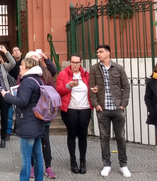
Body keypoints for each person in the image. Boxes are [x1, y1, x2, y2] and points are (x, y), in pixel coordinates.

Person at [89, 44, 131, 178]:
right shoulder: (94, 69)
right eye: (97, 52)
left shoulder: (118, 68)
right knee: (104, 138)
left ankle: (123, 165)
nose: (98, 54)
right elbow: (91, 88)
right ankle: (106, 164)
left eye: (101, 52)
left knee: (120, 137)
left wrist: (123, 104)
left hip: (117, 108)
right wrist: (96, 104)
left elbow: (126, 86)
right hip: (103, 109)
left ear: (108, 53)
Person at [1, 57, 45, 181]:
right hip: (37, 121)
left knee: (26, 158)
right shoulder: (38, 80)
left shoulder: (27, 82)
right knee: (37, 157)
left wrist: (7, 96)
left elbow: (22, 101)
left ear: (28, 67)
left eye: (22, 65)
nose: (19, 67)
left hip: (28, 123)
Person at [56, 54, 95, 175]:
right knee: (72, 133)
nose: (75, 65)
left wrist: (94, 90)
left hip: (85, 108)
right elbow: (59, 91)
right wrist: (68, 86)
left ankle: (82, 161)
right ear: (70, 63)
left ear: (81, 63)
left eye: (77, 62)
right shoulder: (63, 74)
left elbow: (92, 88)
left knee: (83, 134)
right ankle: (73, 160)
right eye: (73, 62)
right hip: (70, 108)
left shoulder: (86, 75)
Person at [25, 50, 57, 179]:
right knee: (31, 140)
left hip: (43, 112)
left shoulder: (45, 73)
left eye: (37, 58)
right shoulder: (24, 75)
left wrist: (46, 58)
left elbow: (53, 72)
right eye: (32, 58)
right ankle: (33, 166)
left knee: (45, 140)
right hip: (31, 113)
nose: (35, 60)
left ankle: (48, 167)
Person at [6, 46, 23, 140]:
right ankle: (8, 132)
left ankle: (18, 129)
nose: (16, 52)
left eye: (18, 50)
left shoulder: (25, 62)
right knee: (10, 111)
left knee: (21, 111)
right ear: (12, 54)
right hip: (13, 89)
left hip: (24, 88)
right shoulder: (11, 64)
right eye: (14, 51)